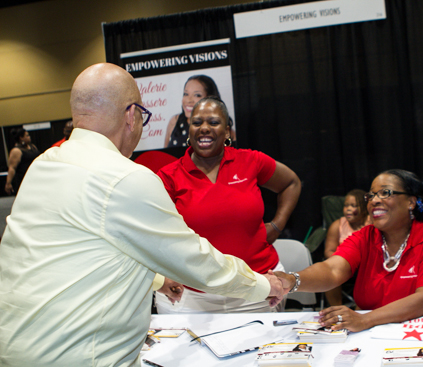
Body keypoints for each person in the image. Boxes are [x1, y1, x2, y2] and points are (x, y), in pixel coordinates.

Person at [0, 63, 283, 367]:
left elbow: (75, 253)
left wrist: (157, 281)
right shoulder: (124, 177)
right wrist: (263, 285)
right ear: (131, 116)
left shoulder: (43, 165)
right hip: (80, 355)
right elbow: (196, 261)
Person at [156, 96, 301, 314]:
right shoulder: (169, 176)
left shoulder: (250, 161)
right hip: (192, 295)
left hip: (257, 286)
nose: (204, 128)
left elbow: (291, 183)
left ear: (227, 131)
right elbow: (153, 232)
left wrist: (278, 225)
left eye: (213, 122)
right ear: (189, 129)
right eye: (197, 123)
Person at [275, 169, 423, 333]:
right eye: (370, 196)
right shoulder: (365, 236)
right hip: (372, 333)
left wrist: (365, 319)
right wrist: (291, 281)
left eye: (385, 193)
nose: (374, 201)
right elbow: (332, 270)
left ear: (411, 202)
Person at [324, 189, 371, 306]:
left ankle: (363, 310)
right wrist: (342, 261)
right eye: (346, 206)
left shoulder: (372, 223)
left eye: (354, 206)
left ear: (364, 208)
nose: (348, 209)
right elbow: (329, 250)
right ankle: (337, 310)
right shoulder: (337, 225)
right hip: (345, 265)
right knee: (328, 274)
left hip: (367, 264)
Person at [164, 75, 235, 148]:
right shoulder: (175, 121)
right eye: (186, 94)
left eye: (197, 95)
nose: (189, 100)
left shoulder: (225, 130)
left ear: (210, 98)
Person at [4, 127, 40, 195]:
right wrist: (8, 183)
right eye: (27, 135)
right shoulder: (16, 151)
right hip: (24, 181)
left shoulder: (33, 147)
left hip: (36, 178)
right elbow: (12, 168)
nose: (29, 137)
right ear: (21, 138)